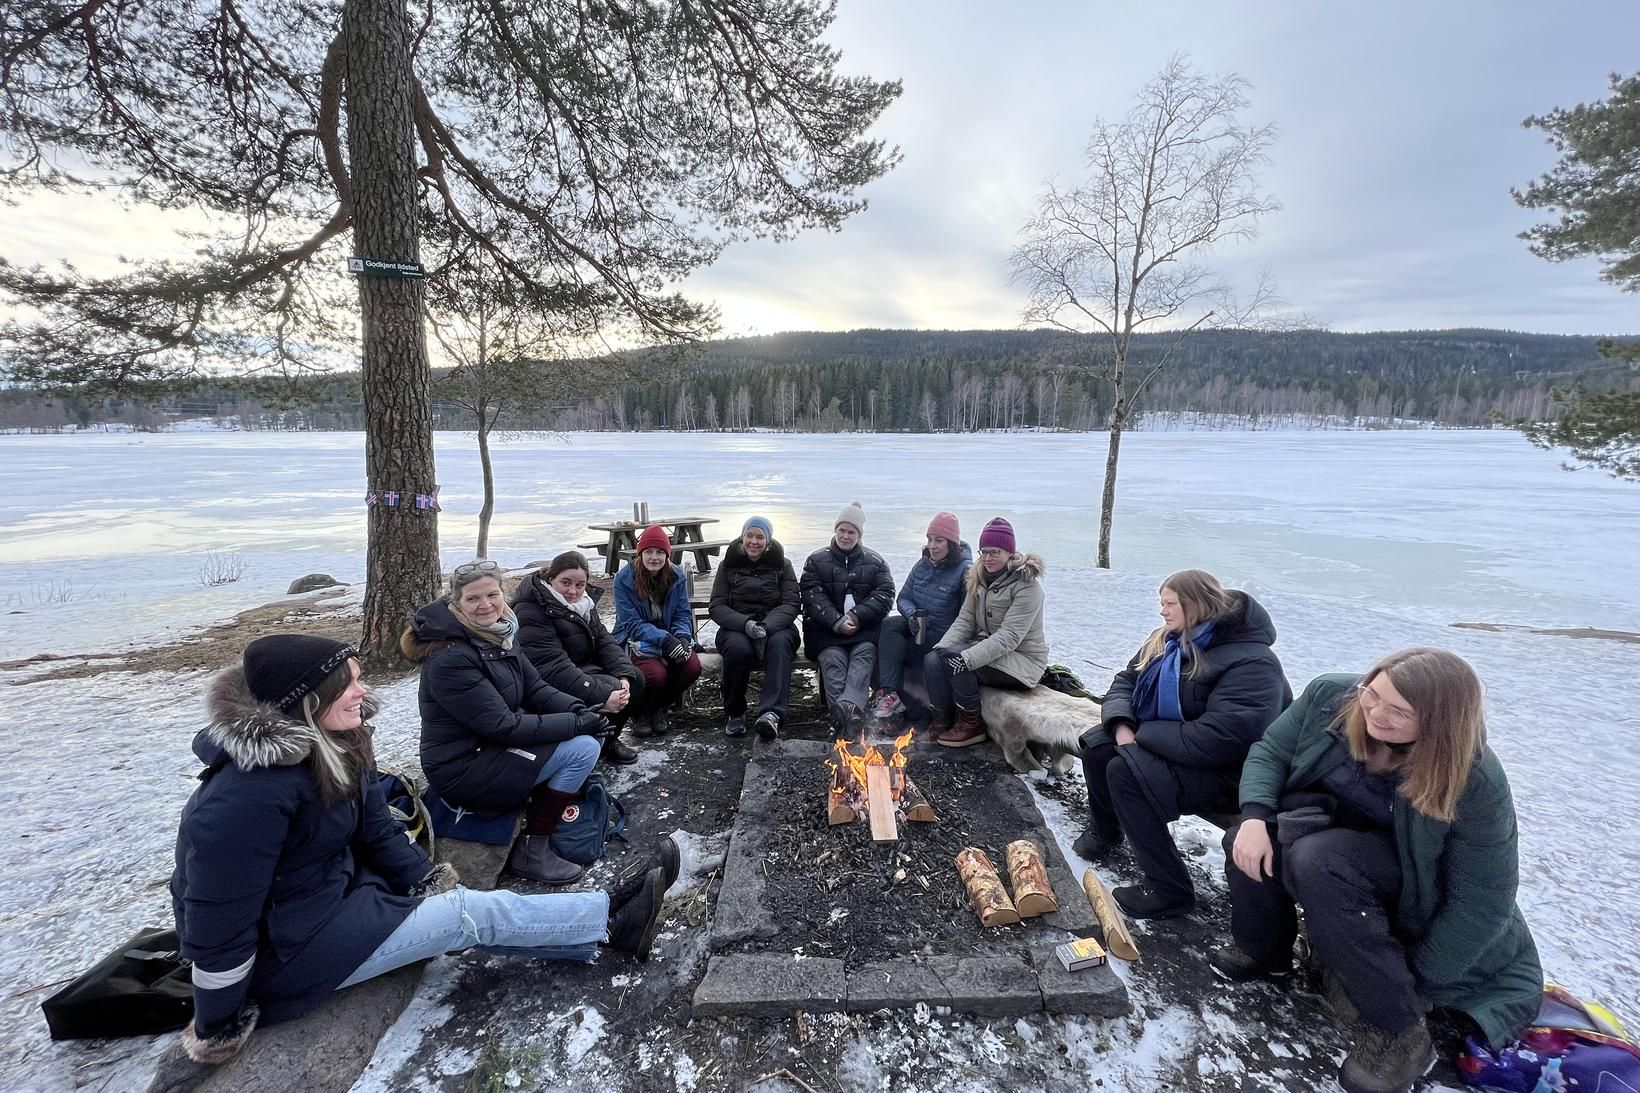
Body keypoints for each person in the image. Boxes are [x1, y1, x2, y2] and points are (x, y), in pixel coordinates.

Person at [168, 634, 677, 1068]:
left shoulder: (341, 743)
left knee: (451, 907)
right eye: (348, 684)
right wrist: (218, 1023)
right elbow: (218, 921)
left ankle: (596, 931)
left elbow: (377, 832)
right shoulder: (242, 798)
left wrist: (426, 879)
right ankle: (609, 917)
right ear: (308, 699)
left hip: (335, 902)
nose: (362, 690)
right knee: (465, 915)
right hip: (289, 953)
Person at [1212, 649, 1542, 1093]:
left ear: (1439, 723)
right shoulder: (1331, 696)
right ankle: (1265, 951)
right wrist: (1253, 815)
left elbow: (1485, 898)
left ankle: (1401, 1034)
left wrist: (1410, 984)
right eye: (1373, 694)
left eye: (1399, 711)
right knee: (1248, 839)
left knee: (1318, 859)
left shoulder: (1472, 778)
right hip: (1330, 845)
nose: (1376, 713)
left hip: (1405, 887)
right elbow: (1270, 751)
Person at [1074, 570, 1290, 920]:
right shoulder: (1167, 640)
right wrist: (1122, 724)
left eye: (1170, 603)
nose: (1162, 612)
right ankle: (1105, 831)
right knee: (1099, 746)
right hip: (1177, 746)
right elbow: (1126, 681)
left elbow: (1224, 738)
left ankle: (1169, 890)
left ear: (1196, 605)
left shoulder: (1253, 661)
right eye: (1162, 603)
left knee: (1126, 771)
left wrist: (1140, 735)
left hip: (1232, 772)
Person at [403, 559, 606, 885]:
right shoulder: (450, 658)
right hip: (463, 767)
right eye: (473, 599)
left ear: (503, 594)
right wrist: (576, 725)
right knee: (581, 747)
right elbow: (503, 725)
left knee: (591, 737)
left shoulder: (500, 634)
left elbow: (536, 688)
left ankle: (534, 810)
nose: (485, 605)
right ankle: (533, 847)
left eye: (492, 595)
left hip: (491, 747)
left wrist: (581, 709)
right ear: (457, 604)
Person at [513, 550, 644, 766]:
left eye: (580, 585)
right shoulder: (532, 608)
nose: (573, 591)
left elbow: (603, 639)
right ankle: (587, 743)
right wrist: (602, 693)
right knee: (610, 688)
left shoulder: (584, 604)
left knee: (633, 679)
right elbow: (551, 665)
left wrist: (623, 672)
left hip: (582, 667)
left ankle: (608, 739)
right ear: (550, 578)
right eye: (565, 582)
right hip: (548, 678)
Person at [927, 517, 1047, 747]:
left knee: (958, 659)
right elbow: (965, 619)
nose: (988, 558)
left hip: (1023, 661)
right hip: (994, 653)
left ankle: (972, 726)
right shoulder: (978, 577)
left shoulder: (1027, 586)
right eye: (984, 552)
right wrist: (941, 648)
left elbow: (1009, 637)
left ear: (1009, 552)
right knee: (934, 659)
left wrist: (967, 658)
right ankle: (942, 720)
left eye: (995, 552)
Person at [800, 501, 896, 732]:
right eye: (842, 530)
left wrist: (856, 616)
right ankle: (850, 717)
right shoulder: (816, 560)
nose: (845, 536)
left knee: (863, 657)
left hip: (862, 631)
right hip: (826, 632)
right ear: (835, 530)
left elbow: (885, 594)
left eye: (851, 532)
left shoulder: (875, 561)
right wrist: (835, 621)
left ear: (859, 534)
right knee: (833, 660)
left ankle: (845, 713)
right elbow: (812, 596)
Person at [870, 511, 972, 726]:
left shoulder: (964, 572)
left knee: (919, 657)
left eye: (939, 540)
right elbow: (904, 597)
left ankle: (931, 715)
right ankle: (889, 695)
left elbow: (967, 618)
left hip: (942, 640)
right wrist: (912, 615)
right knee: (889, 625)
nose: (932, 546)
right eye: (930, 539)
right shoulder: (922, 565)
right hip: (919, 631)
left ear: (951, 544)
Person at [709, 515, 802, 739]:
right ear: (742, 539)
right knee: (737, 650)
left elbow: (791, 603)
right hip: (737, 626)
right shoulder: (727, 565)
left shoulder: (783, 565)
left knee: (780, 646)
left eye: (760, 537)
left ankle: (771, 713)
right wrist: (746, 625)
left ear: (768, 542)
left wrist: (766, 627)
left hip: (776, 625)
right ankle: (736, 712)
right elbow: (717, 605)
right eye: (749, 535)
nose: (754, 541)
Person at [612, 525, 702, 736]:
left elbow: (682, 614)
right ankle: (640, 710)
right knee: (654, 674)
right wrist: (665, 640)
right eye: (649, 551)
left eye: (660, 552)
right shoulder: (623, 580)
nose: (655, 557)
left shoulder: (676, 576)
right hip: (638, 638)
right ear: (640, 553)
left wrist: (681, 636)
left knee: (692, 667)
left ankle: (659, 706)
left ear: (667, 554)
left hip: (670, 635)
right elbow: (631, 624)